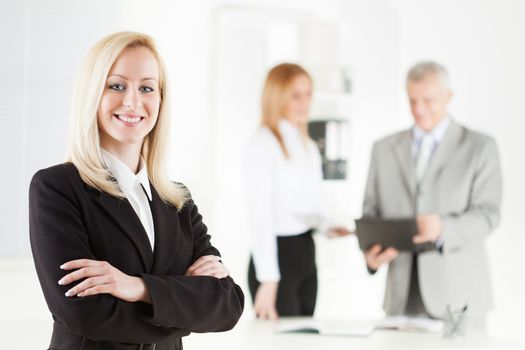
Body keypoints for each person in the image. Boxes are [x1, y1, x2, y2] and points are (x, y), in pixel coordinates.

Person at [29, 32, 244, 350]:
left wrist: (137, 287)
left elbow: (227, 305)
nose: (132, 101)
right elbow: (84, 313)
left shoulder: (177, 199)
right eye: (117, 85)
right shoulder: (57, 188)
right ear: (92, 94)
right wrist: (183, 306)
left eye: (147, 88)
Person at [362, 61, 502, 330]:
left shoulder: (479, 147)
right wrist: (370, 254)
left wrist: (444, 228)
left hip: (458, 298)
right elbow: (371, 213)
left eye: (428, 100)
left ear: (448, 97)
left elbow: (489, 215)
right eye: (412, 100)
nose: (419, 109)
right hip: (400, 298)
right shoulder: (382, 149)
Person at [244, 63, 349, 320]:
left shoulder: (308, 146)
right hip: (277, 257)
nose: (305, 103)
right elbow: (261, 216)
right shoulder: (263, 145)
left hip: (306, 252)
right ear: (277, 97)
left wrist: (328, 226)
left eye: (309, 94)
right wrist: (268, 279)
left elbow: (312, 203)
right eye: (296, 95)